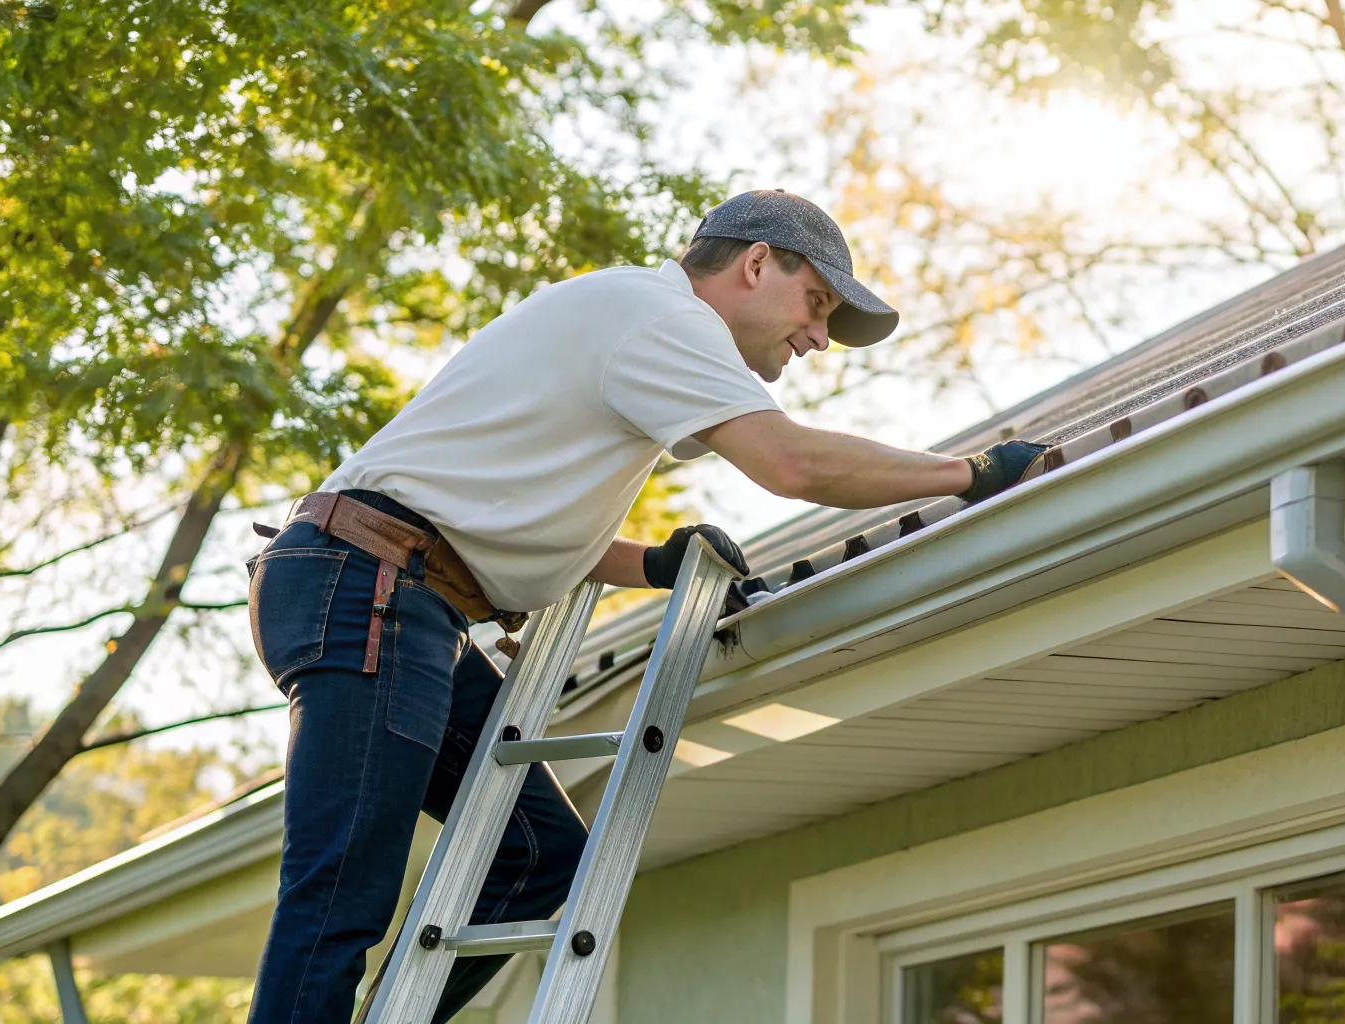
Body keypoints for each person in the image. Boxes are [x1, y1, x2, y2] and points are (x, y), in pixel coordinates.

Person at [243, 190, 1048, 1023]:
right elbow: (793, 464)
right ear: (757, 263)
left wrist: (653, 564)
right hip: (371, 586)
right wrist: (974, 472)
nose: (815, 339)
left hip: (404, 591)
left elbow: (503, 517)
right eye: (815, 306)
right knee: (340, 889)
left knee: (536, 855)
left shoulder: (630, 323)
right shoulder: (660, 317)